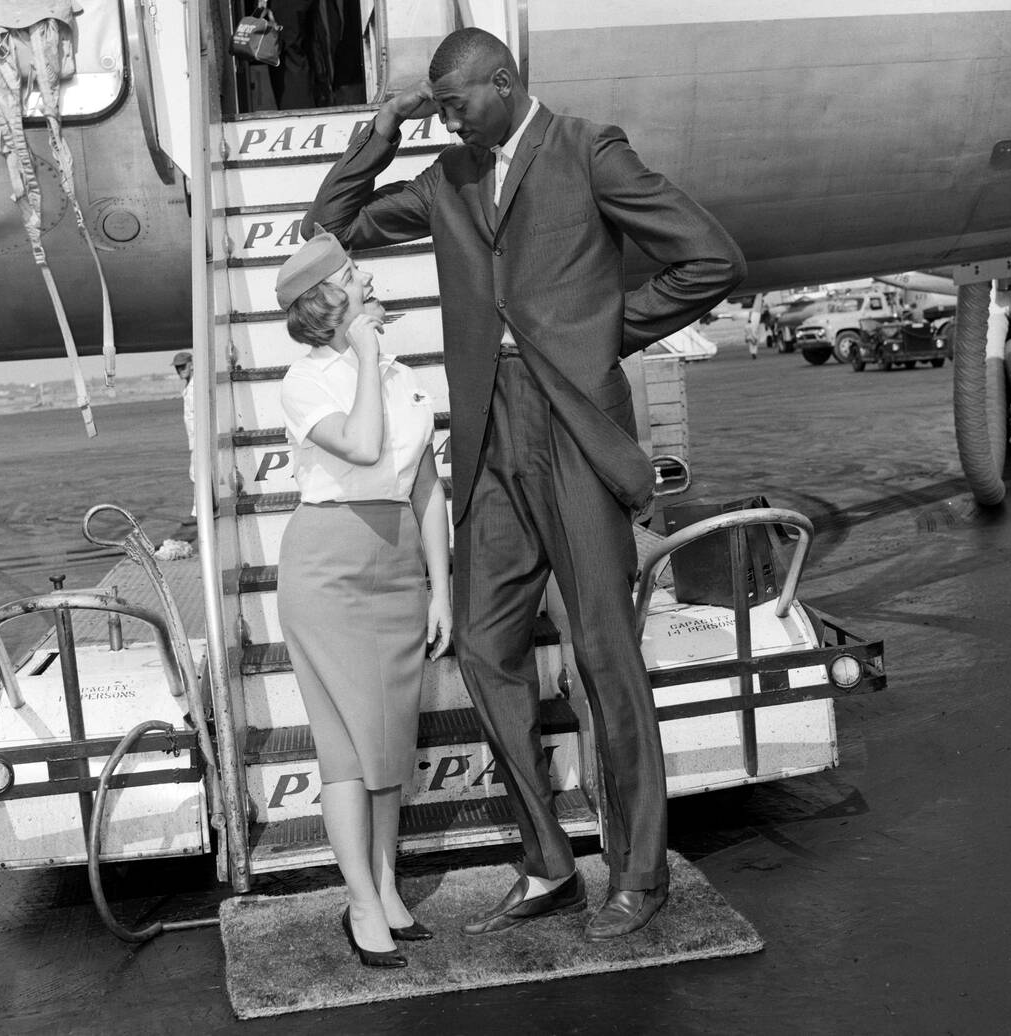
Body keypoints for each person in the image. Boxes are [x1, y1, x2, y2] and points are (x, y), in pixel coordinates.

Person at [303, 28, 746, 941]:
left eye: (456, 102)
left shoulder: (589, 152)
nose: (447, 117)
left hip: (575, 430)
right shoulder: (446, 179)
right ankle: (548, 861)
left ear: (503, 83)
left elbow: (712, 260)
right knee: (481, 643)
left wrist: (602, 335)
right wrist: (384, 131)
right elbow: (335, 224)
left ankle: (640, 873)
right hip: (491, 434)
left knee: (603, 652)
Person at [273, 231, 453, 968]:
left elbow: (425, 486)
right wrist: (368, 354)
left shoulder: (406, 376)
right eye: (353, 273)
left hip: (396, 564)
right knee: (346, 752)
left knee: (386, 744)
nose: (368, 277)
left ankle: (385, 881)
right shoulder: (305, 379)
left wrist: (442, 588)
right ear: (326, 302)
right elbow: (365, 449)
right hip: (327, 568)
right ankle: (360, 901)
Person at [172, 350, 196, 522]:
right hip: (195, 440)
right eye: (178, 368)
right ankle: (198, 511)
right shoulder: (189, 387)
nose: (180, 370)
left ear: (192, 364)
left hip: (200, 441)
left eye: (183, 366)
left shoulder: (195, 388)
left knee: (197, 474)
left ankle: (198, 512)